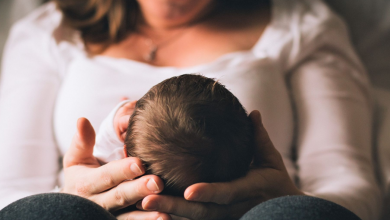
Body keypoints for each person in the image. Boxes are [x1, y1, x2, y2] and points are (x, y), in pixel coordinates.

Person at [0, 0, 381, 219]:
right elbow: (8, 190)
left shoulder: (302, 27)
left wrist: (283, 199)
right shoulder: (49, 32)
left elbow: (355, 188)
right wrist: (78, 200)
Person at [93, 74, 255, 197]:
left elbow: (101, 153)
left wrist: (116, 118)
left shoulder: (119, 189)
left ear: (126, 156)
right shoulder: (240, 197)